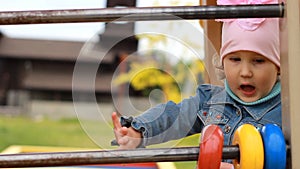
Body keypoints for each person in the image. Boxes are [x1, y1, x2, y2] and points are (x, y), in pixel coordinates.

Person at [112, 6, 281, 168]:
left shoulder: (287, 112)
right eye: (235, 59)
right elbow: (172, 116)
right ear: (222, 62)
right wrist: (139, 131)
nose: (245, 72)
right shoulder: (211, 101)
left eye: (259, 61)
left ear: (278, 66)